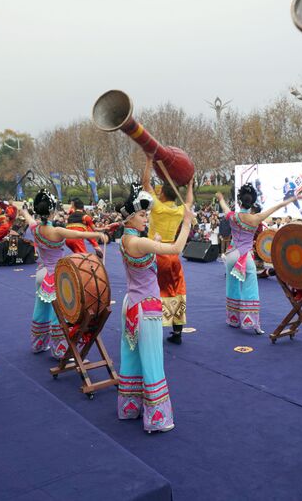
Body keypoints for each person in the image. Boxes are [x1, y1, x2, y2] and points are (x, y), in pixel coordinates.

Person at [117, 183, 193, 433]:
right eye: (141, 214)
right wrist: (188, 224)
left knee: (131, 357)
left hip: (131, 304)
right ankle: (157, 418)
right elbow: (176, 249)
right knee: (152, 360)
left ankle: (130, 407)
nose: (145, 217)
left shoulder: (125, 240)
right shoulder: (139, 243)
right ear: (130, 217)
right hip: (146, 309)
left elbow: (149, 248)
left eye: (145, 214)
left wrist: (155, 239)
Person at [19, 190, 108, 356]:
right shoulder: (56, 231)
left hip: (42, 274)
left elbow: (29, 218)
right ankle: (59, 351)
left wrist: (24, 211)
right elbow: (77, 234)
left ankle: (38, 344)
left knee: (41, 308)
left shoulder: (35, 229)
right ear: (52, 212)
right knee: (60, 313)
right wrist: (98, 234)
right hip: (57, 277)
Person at [215, 185, 302, 334]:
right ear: (252, 204)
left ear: (240, 202)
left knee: (232, 285)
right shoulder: (256, 218)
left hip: (230, 255)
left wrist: (221, 199)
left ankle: (233, 319)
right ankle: (253, 324)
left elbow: (224, 208)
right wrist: (294, 198)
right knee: (251, 288)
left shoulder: (232, 216)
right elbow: (277, 206)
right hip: (244, 257)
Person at [141, 155, 194, 344]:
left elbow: (145, 183)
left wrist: (148, 161)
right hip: (173, 254)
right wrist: (190, 184)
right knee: (177, 289)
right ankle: (177, 331)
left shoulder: (157, 207)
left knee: (153, 289)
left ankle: (151, 327)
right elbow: (189, 201)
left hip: (155, 254)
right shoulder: (180, 211)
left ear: (162, 194)